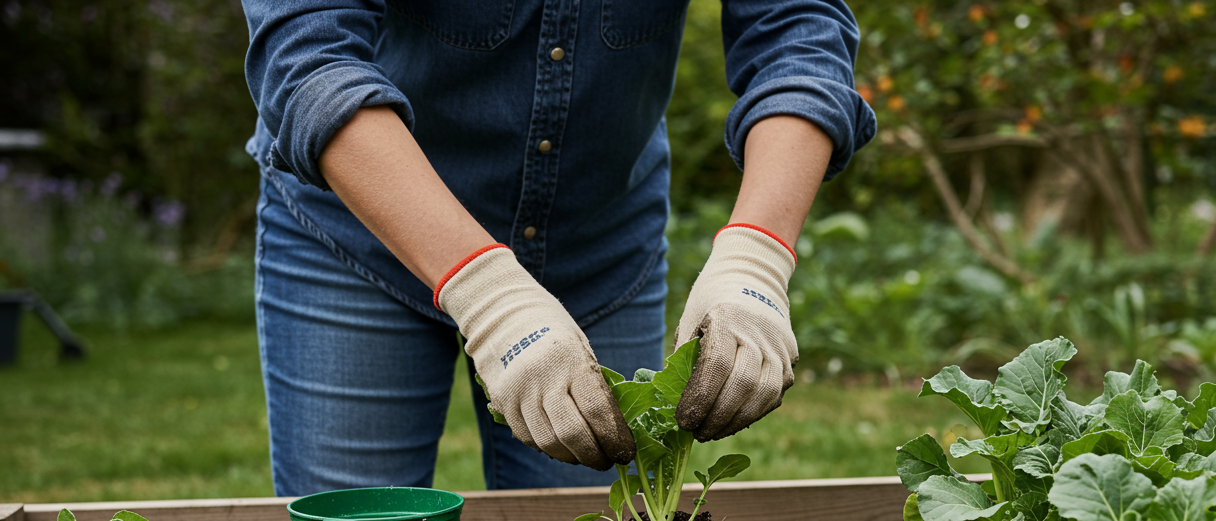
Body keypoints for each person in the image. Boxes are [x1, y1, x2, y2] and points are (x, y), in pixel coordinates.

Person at [241, 0, 876, 496]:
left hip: (594, 248)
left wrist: (755, 259)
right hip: (360, 242)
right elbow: (308, 60)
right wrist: (488, 295)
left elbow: (798, 29)